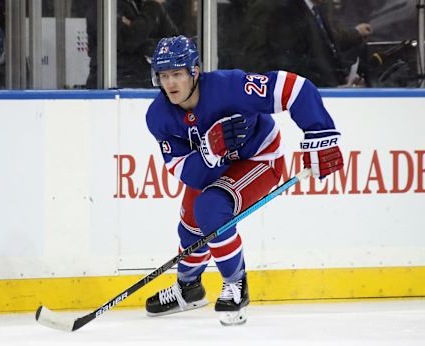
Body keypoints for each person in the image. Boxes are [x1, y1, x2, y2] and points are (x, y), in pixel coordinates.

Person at [145, 35, 344, 325]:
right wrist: (210, 151)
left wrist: (320, 136)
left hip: (259, 158)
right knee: (190, 221)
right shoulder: (158, 116)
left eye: (177, 74)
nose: (171, 84)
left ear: (195, 72)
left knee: (210, 209)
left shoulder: (232, 87)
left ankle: (235, 285)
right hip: (216, 164)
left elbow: (296, 88)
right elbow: (186, 172)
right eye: (164, 76)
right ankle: (189, 289)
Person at [241, 0, 372, 87]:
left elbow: (327, 44)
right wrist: (331, 86)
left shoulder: (316, 9)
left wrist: (344, 80)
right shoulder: (286, 11)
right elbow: (292, 65)